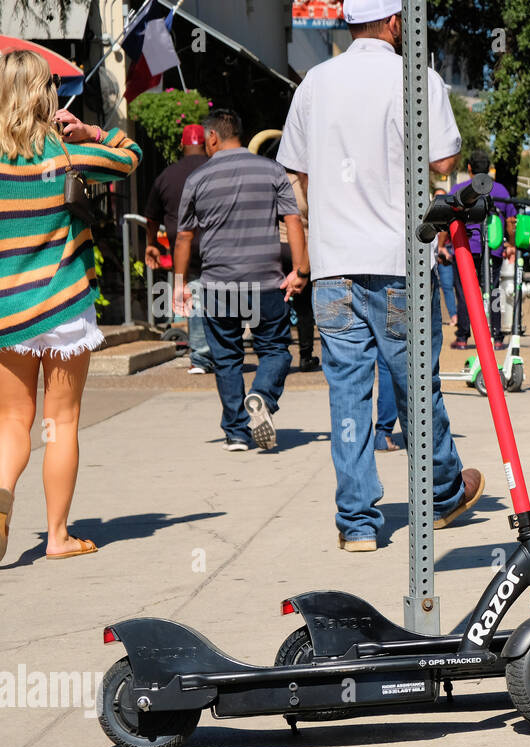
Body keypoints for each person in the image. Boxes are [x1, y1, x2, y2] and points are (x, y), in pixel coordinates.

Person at [277, 0, 483, 552]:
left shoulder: (314, 83)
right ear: (396, 23)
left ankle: (358, 524)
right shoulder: (417, 78)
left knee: (347, 396)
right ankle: (441, 492)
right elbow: (444, 162)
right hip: (399, 261)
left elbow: (295, 168)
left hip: (334, 265)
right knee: (417, 385)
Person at [0, 51, 141, 562]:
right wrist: (92, 133)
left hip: (6, 314)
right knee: (60, 422)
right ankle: (57, 537)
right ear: (45, 94)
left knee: (13, 422)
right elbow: (131, 158)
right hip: (62, 308)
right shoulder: (65, 154)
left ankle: (1, 504)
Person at [173, 108, 307, 452]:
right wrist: (299, 270)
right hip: (266, 282)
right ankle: (261, 396)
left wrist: (179, 284)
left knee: (227, 357)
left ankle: (235, 432)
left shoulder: (198, 179)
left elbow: (185, 236)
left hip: (220, 285)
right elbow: (293, 219)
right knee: (275, 349)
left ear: (213, 137)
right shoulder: (271, 170)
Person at [143, 123, 211, 373]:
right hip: (218, 247)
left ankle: (202, 358)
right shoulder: (215, 170)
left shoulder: (166, 176)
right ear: (206, 143)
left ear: (182, 145)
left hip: (185, 251)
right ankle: (222, 353)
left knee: (196, 301)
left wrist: (151, 244)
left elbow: (151, 217)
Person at [450, 148, 516, 350]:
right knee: (494, 291)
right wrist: (511, 244)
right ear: (489, 169)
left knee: (464, 293)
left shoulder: (458, 190)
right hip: (493, 249)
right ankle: (496, 337)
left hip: (464, 249)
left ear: (469, 168)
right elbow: (512, 221)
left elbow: (447, 218)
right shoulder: (501, 191)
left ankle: (462, 337)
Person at [279, 169, 320, 373]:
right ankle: (305, 355)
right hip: (304, 248)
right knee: (304, 307)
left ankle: (278, 354)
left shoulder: (274, 180)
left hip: (277, 246)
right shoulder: (307, 181)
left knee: (280, 303)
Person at [433, 186, 458, 327]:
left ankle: (454, 316)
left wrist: (442, 249)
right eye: (437, 197)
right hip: (430, 250)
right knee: (433, 287)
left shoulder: (448, 214)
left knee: (447, 286)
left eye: (443, 197)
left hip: (445, 252)